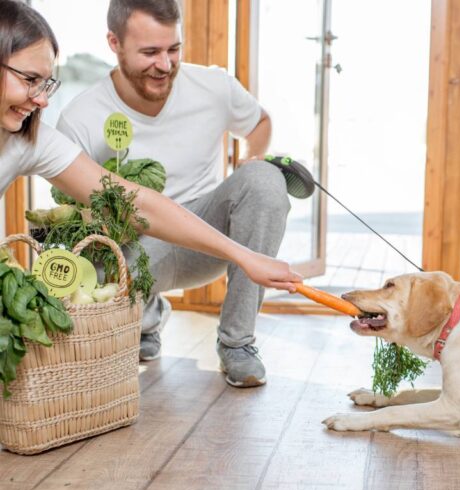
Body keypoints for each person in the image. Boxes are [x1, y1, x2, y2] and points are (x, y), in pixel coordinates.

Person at [0, 0, 302, 387]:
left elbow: (137, 203)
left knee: (263, 178)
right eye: (30, 80)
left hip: (196, 240)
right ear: (115, 43)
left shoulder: (33, 138)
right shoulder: (81, 113)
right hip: (133, 252)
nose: (41, 98)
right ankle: (144, 314)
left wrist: (246, 256)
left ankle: (235, 343)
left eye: (46, 83)